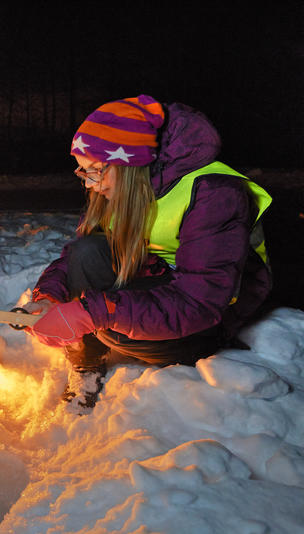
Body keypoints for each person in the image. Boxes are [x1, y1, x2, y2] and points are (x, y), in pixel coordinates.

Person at [24, 95, 272, 415]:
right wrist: (51, 297)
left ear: (129, 165)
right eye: (83, 172)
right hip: (155, 289)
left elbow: (199, 303)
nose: (90, 184)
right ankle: (86, 365)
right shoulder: (118, 192)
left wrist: (94, 312)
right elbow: (77, 259)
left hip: (201, 320)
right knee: (88, 252)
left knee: (108, 326)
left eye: (96, 171)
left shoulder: (214, 191)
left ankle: (112, 334)